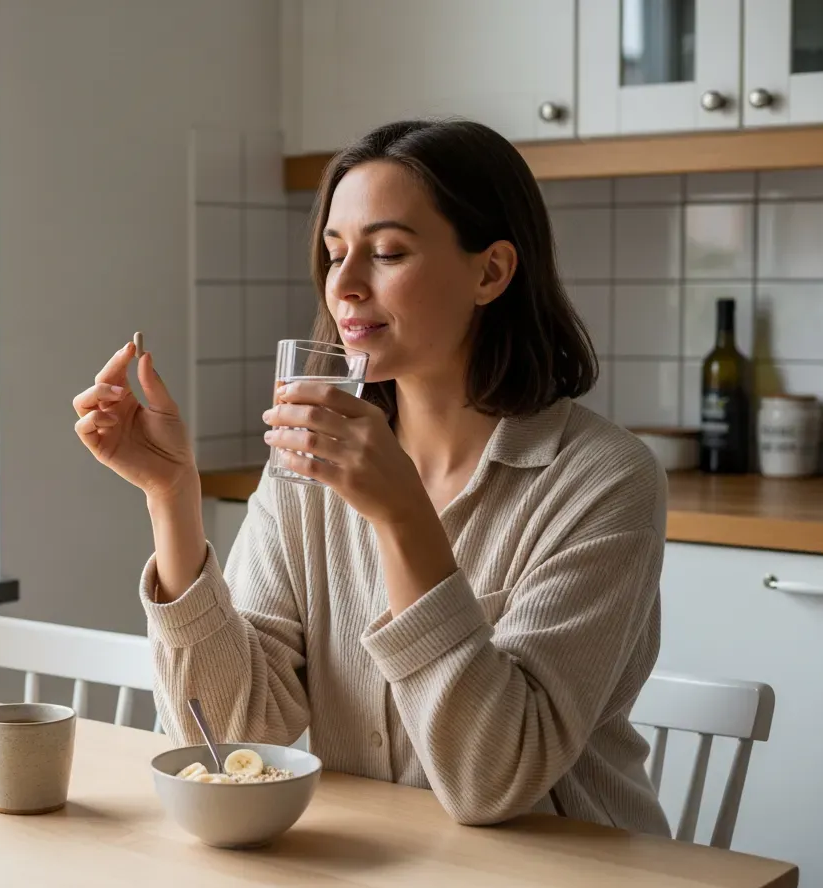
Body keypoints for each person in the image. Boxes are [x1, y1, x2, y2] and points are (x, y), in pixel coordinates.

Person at [72, 119, 670, 835]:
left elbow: (492, 782)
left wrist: (402, 516)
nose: (345, 286)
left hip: (567, 869)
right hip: (378, 864)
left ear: (491, 272)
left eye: (387, 252)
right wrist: (172, 498)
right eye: (334, 254)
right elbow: (231, 734)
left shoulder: (604, 480)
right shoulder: (308, 464)